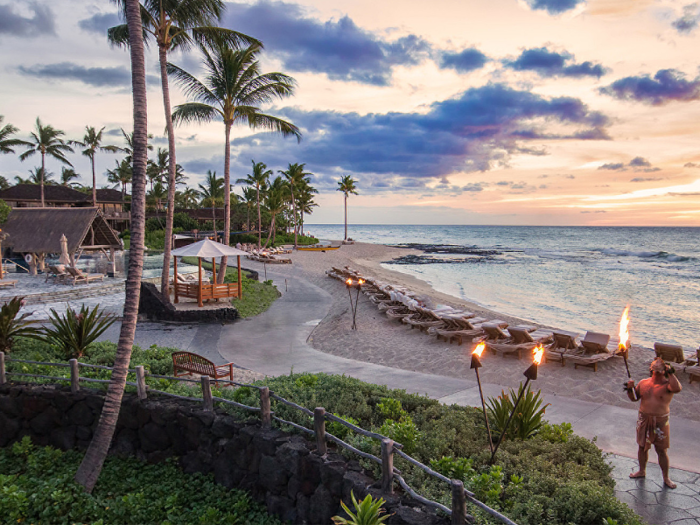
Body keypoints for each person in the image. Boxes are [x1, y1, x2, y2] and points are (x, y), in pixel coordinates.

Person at [626, 356, 682, 488]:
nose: (656, 369)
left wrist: (670, 372)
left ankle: (666, 478)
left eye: (660, 367)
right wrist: (629, 389)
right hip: (644, 419)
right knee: (642, 447)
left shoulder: (668, 385)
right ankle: (641, 471)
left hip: (660, 422)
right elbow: (634, 398)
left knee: (661, 450)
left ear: (664, 370)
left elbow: (678, 388)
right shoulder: (644, 382)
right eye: (654, 366)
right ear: (651, 369)